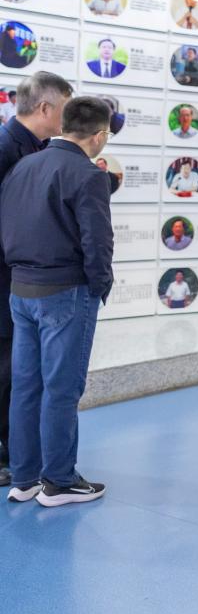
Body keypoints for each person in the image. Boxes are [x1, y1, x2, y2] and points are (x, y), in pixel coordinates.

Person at [0, 96, 113, 506]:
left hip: (20, 290)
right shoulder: (88, 175)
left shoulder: (23, 166)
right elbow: (97, 242)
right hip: (66, 292)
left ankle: (25, 477)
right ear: (100, 135)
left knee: (26, 387)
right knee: (62, 388)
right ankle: (60, 481)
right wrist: (100, 286)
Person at [0, 71, 72, 489]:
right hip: (7, 279)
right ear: (45, 108)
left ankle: (20, 455)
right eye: (64, 108)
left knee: (20, 375)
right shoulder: (5, 148)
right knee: (6, 373)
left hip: (21, 281)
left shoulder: (38, 149)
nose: (68, 117)